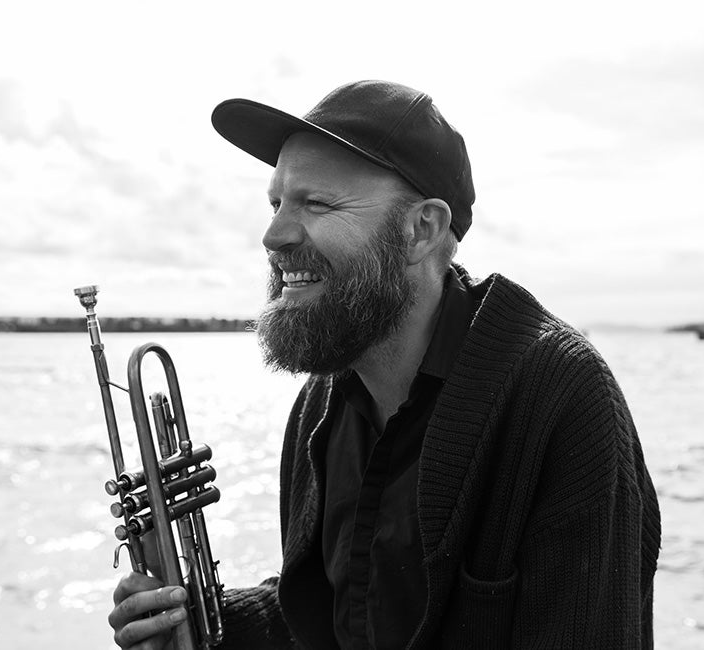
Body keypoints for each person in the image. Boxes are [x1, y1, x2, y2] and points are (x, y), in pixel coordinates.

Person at [108, 80, 661, 649]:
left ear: (421, 229)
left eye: (316, 203)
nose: (273, 235)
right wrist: (197, 621)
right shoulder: (323, 402)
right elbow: (341, 614)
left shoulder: (560, 398)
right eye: (276, 203)